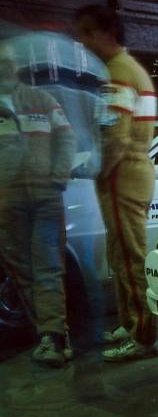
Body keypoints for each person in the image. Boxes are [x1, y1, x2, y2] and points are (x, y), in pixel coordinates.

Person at [74, 5, 158, 362]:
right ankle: (129, 321)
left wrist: (97, 169)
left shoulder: (118, 73)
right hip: (130, 172)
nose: (83, 42)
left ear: (107, 33)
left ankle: (142, 335)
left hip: (122, 174)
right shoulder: (129, 69)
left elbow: (116, 138)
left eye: (88, 33)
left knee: (128, 258)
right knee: (120, 254)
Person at [0, 43, 76, 367]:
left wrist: (58, 178)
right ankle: (48, 333)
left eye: (6, 62)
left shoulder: (42, 100)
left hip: (45, 197)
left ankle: (53, 339)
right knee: (21, 271)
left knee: (47, 268)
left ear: (14, 67)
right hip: (7, 200)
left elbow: (67, 138)